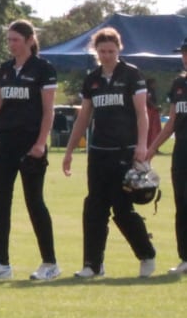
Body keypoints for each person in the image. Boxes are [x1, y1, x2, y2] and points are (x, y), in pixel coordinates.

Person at [62, 28, 156, 278]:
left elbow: (141, 113)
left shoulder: (131, 74)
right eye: (102, 51)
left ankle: (146, 254)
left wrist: (142, 145)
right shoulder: (92, 79)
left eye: (111, 51)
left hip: (124, 152)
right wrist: (70, 149)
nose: (106, 56)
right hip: (98, 152)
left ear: (119, 50)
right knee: (94, 207)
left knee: (122, 209)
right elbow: (84, 116)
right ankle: (92, 265)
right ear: (96, 51)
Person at [0, 20, 60, 280]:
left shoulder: (43, 69)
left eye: (15, 40)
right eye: (9, 40)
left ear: (28, 40)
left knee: (34, 202)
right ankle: (1, 262)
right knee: (0, 203)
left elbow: (49, 110)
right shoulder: (4, 69)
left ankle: (50, 263)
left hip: (30, 144)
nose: (11, 44)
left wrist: (40, 143)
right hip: (5, 143)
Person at [146, 37, 187, 274]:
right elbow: (171, 122)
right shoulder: (179, 84)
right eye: (183, 52)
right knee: (181, 204)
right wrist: (151, 149)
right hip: (181, 152)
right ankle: (185, 257)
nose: (185, 56)